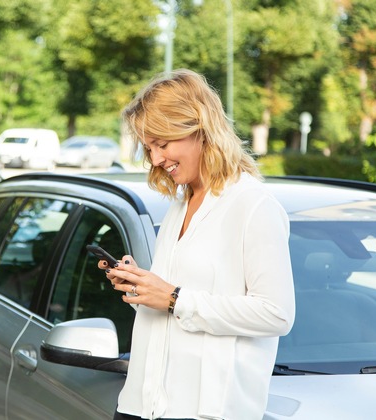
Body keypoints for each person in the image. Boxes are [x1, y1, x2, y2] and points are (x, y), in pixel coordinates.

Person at [100, 69, 295, 420]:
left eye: (162, 143)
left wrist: (175, 297)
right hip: (140, 405)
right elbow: (174, 307)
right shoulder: (179, 205)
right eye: (149, 147)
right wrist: (142, 288)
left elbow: (277, 314)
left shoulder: (253, 206)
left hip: (205, 411)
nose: (156, 159)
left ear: (200, 129)